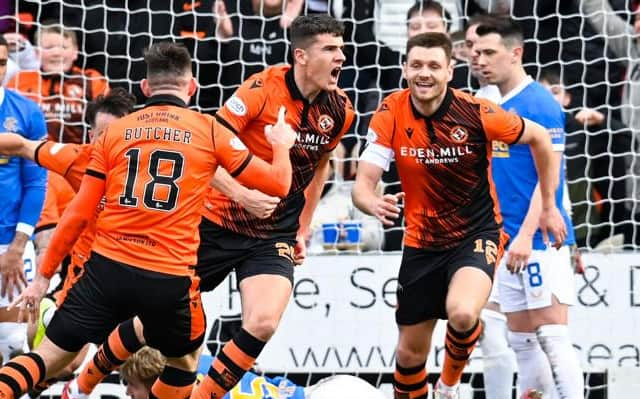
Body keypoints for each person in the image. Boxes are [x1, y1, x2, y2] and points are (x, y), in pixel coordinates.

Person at [61, 14, 354, 399]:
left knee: (263, 322)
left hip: (272, 234)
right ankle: (80, 387)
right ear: (301, 55)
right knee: (152, 321)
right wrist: (241, 195)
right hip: (216, 222)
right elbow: (200, 147)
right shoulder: (260, 90)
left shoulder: (341, 111)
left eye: (343, 49)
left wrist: (303, 226)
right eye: (330, 49)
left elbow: (319, 167)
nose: (341, 58)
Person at [0, 41, 296, 399]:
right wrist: (281, 144)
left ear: (144, 88)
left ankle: (65, 388)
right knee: (185, 359)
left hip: (105, 271)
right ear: (192, 86)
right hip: (167, 277)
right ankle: (78, 388)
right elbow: (279, 183)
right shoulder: (208, 131)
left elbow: (76, 212)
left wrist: (42, 278)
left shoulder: (111, 137)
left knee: (46, 358)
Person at [352, 32, 567, 399]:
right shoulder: (391, 110)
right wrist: (371, 202)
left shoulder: (477, 112)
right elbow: (362, 186)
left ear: (450, 71)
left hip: (476, 234)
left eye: (434, 66)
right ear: (405, 69)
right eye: (417, 65)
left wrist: (548, 205)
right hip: (421, 243)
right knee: (408, 354)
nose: (424, 73)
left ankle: (448, 385)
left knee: (463, 312)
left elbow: (541, 140)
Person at [474, 18, 584, 398]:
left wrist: (524, 235)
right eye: (476, 52)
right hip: (507, 238)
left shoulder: (539, 103)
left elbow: (549, 177)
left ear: (515, 52)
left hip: (536, 239)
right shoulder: (489, 103)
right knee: (520, 340)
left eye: (490, 52)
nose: (481, 59)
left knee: (552, 335)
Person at [0, 34, 47, 364]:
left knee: (13, 344)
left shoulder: (27, 113)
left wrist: (17, 248)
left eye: (1, 63)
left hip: (9, 248)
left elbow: (36, 184)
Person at [119, 346, 385, 399]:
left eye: (130, 383)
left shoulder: (188, 392)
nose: (128, 392)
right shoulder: (199, 361)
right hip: (332, 389)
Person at [7, 23, 109, 144]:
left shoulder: (92, 80)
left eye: (64, 47)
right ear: (36, 52)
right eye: (49, 48)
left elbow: (109, 124)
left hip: (81, 156)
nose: (56, 53)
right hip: (31, 156)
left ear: (76, 52)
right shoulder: (20, 81)